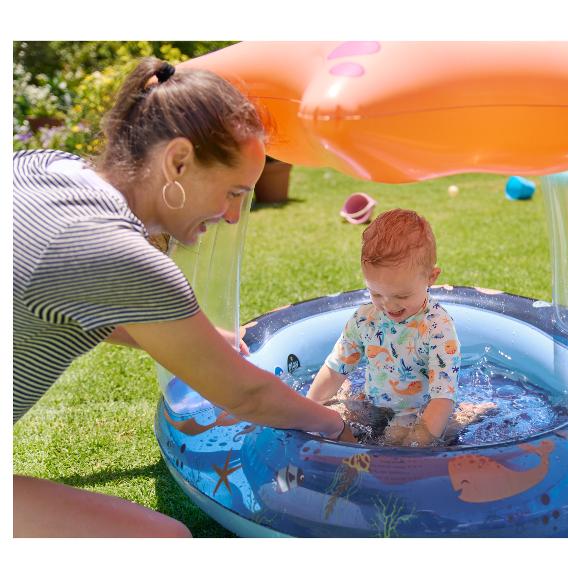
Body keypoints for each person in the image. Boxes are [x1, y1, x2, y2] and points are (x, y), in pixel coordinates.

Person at [12, 57, 354, 538]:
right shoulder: (123, 255)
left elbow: (58, 293)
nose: (233, 216)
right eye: (234, 192)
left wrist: (203, 341)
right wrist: (336, 426)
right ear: (177, 161)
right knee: (165, 543)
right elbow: (247, 394)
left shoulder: (46, 167)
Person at [307, 209, 464, 446]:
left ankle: (469, 413)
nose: (389, 305)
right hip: (373, 402)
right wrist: (310, 407)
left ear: (431, 277)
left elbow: (442, 397)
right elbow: (335, 368)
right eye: (376, 293)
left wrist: (420, 440)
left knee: (396, 442)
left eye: (402, 295)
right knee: (337, 420)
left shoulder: (437, 328)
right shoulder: (365, 319)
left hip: (416, 411)